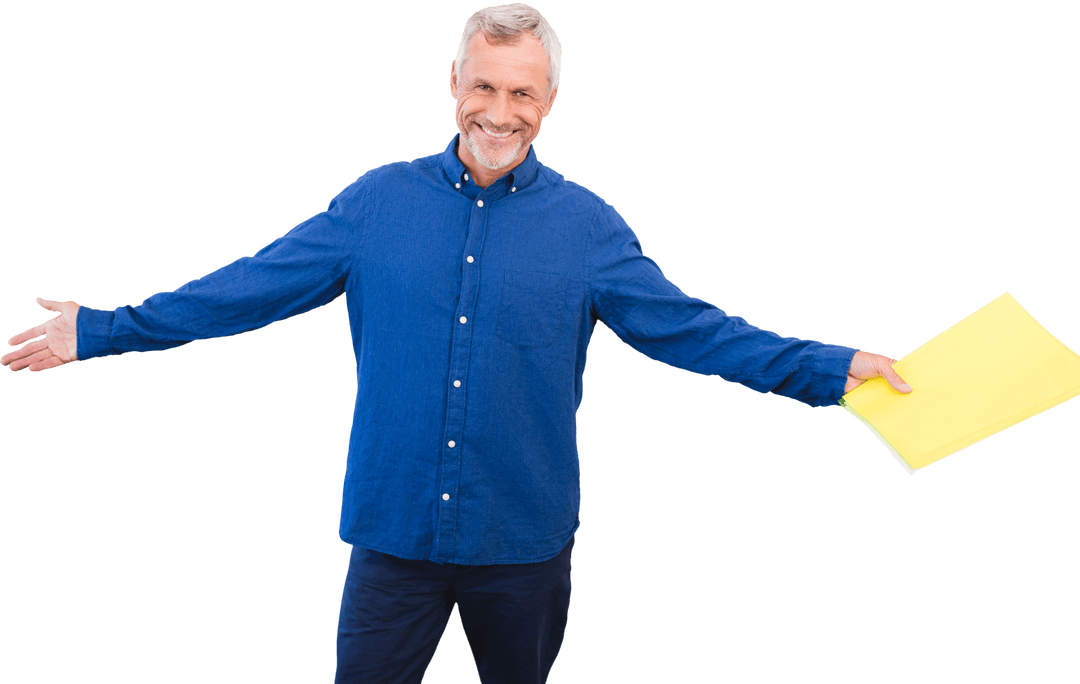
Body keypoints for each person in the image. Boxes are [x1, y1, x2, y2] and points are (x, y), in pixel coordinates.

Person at [1, 3, 912, 683]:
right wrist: (99, 331)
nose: (500, 109)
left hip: (524, 545)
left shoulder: (589, 229)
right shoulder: (375, 204)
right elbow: (246, 290)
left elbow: (692, 331)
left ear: (549, 101)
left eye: (522, 92)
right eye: (484, 85)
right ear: (453, 84)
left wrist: (832, 368)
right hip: (394, 540)